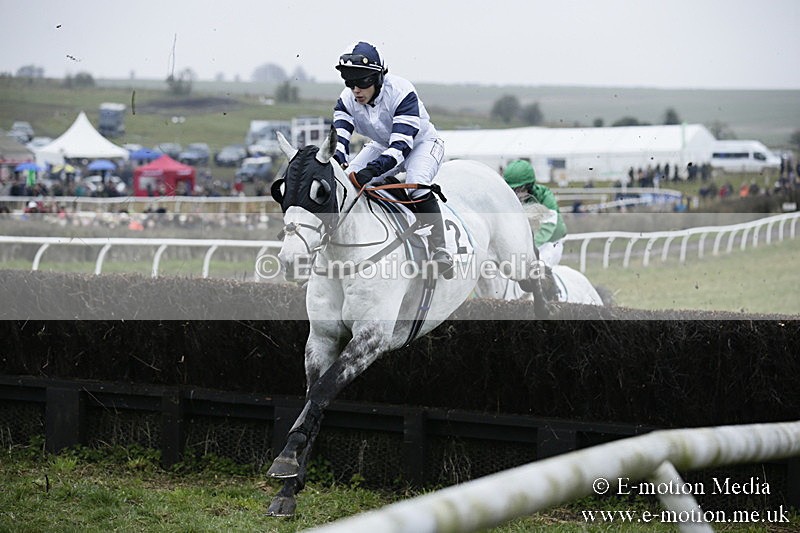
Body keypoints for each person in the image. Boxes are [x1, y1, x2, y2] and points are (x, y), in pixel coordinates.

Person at [332, 41, 452, 278]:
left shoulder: (401, 91)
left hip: (420, 143)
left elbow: (401, 147)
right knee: (346, 181)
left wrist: (372, 171)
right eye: (350, 81)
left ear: (378, 78)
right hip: (382, 145)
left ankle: (440, 249)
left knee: (417, 184)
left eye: (362, 82)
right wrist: (338, 161)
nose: (356, 90)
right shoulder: (346, 99)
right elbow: (340, 142)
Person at [503, 159, 567, 268]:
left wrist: (528, 248)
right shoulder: (509, 200)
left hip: (551, 243)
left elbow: (547, 228)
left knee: (537, 268)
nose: (515, 194)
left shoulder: (545, 196)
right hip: (527, 245)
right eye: (512, 189)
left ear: (529, 185)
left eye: (519, 189)